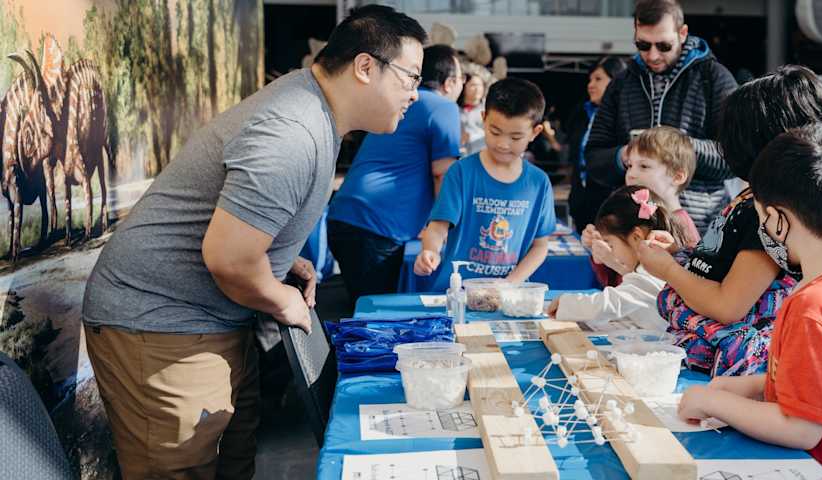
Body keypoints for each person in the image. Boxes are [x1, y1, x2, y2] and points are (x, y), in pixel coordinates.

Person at [81, 6, 427, 478]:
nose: (415, 94)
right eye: (411, 77)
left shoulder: (316, 114)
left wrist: (281, 261)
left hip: (212, 318)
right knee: (184, 469)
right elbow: (228, 257)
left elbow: (240, 230)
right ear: (366, 67)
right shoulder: (294, 128)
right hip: (161, 321)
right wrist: (279, 298)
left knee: (232, 462)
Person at [678, 124, 822, 480]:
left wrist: (712, 401)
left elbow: (802, 428)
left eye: (764, 219)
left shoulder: (813, 308)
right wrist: (752, 387)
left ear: (779, 220)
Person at [633, 65, 822, 377]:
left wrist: (668, 270)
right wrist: (679, 254)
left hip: (728, 369)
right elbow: (720, 262)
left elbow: (729, 306)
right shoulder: (752, 197)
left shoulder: (768, 214)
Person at [585, 0, 738, 235]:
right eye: (643, 45)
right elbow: (594, 158)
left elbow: (736, 157)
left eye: (664, 46)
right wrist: (626, 155)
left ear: (683, 33)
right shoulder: (622, 82)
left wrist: (677, 149)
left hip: (699, 223)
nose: (653, 55)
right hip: (632, 224)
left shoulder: (714, 78)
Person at [327, 44, 464, 302]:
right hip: (376, 227)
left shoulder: (402, 101)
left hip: (348, 215)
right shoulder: (443, 107)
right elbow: (442, 175)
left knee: (363, 309)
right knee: (375, 321)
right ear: (449, 83)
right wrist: (443, 231)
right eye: (460, 79)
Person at [414, 77, 556, 291]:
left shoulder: (539, 183)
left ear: (534, 133)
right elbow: (437, 227)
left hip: (508, 298)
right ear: (483, 118)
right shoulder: (461, 172)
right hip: (457, 293)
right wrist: (430, 251)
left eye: (516, 137)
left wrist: (509, 283)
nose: (503, 144)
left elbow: (540, 246)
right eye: (495, 132)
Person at [547, 186, 681, 330]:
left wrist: (565, 304)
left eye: (611, 244)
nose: (611, 253)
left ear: (636, 237)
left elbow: (609, 304)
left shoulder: (650, 274)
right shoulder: (650, 269)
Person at [582, 126, 700, 287]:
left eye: (644, 166)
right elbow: (614, 284)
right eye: (629, 165)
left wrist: (611, 262)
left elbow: (667, 290)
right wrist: (602, 252)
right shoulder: (632, 216)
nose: (631, 174)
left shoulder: (683, 227)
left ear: (677, 176)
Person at [566, 56, 627, 233]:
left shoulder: (626, 117)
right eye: (590, 79)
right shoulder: (581, 113)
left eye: (598, 79)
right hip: (581, 203)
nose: (590, 85)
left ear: (616, 80)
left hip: (611, 205)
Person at [459, 70, 487, 156]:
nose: (477, 89)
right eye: (473, 85)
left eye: (480, 85)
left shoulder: (488, 108)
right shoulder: (455, 109)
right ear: (464, 87)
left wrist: (470, 136)